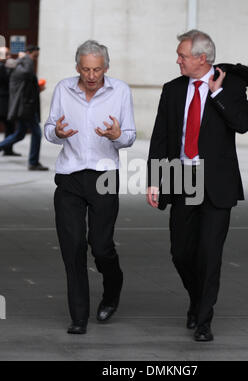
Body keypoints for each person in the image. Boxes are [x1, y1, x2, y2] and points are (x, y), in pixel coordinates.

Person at [147, 30, 248, 342]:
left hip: (217, 181)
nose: (177, 60)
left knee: (209, 253)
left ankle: (204, 318)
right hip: (182, 178)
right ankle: (197, 299)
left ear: (201, 58)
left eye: (182, 55)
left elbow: (243, 124)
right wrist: (155, 179)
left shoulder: (231, 85)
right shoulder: (172, 89)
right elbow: (160, 139)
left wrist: (217, 94)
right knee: (180, 252)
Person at [44, 40, 136, 334]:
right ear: (77, 68)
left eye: (97, 69)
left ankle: (112, 289)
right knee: (72, 247)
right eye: (86, 69)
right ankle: (78, 317)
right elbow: (49, 130)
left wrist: (117, 135)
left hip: (104, 175)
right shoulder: (63, 89)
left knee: (101, 246)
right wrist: (56, 133)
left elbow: (129, 137)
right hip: (70, 176)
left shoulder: (120, 91)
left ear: (106, 68)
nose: (91, 75)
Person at [0, 45, 48, 170]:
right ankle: (33, 162)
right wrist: (26, 58)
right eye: (34, 56)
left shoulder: (21, 66)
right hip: (25, 106)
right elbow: (26, 74)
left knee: (20, 134)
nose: (35, 59)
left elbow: (27, 85)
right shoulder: (21, 66)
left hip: (27, 105)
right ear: (28, 53)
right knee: (37, 133)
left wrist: (38, 89)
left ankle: (33, 161)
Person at [0, 47, 20, 156]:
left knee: (10, 126)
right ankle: (7, 149)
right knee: (9, 125)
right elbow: (8, 80)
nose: (9, 57)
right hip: (3, 101)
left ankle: (8, 149)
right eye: (6, 54)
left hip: (5, 100)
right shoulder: (2, 67)